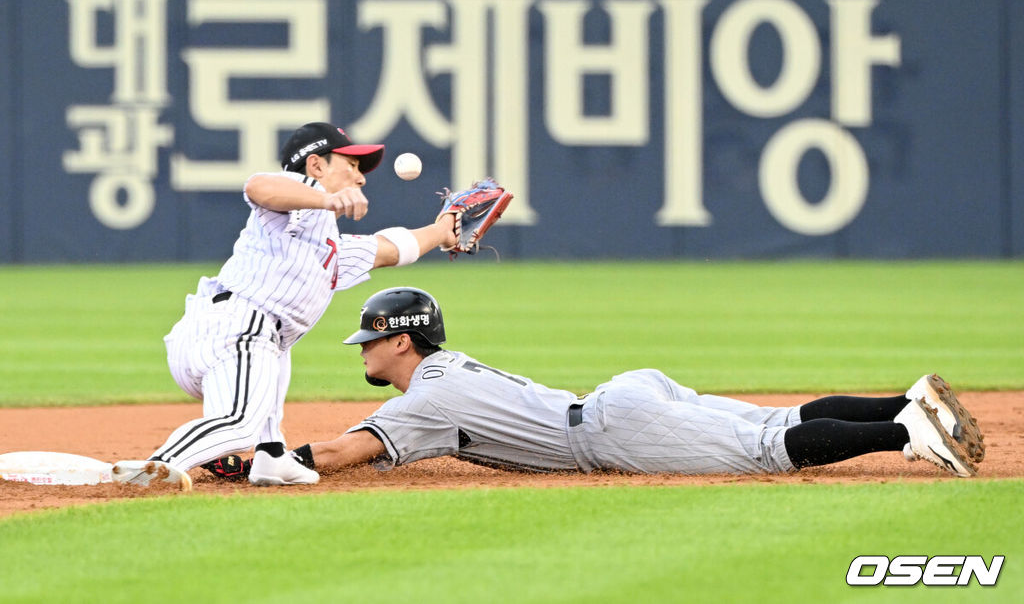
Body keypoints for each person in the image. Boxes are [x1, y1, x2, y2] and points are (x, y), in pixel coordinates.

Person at [282, 286, 984, 481]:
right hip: (623, 395)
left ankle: (906, 430)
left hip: (616, 428)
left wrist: (270, 459)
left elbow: (347, 453)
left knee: (769, 450)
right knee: (779, 418)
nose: (365, 349)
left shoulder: (423, 399)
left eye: (371, 338)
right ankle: (906, 397)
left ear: (400, 339)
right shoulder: (445, 366)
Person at [112, 124, 458, 491]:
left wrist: (443, 229)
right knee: (237, 422)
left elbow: (391, 248)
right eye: (352, 165)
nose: (361, 178)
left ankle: (272, 456)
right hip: (236, 330)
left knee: (278, 345)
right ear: (316, 165)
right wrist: (325, 198)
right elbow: (259, 187)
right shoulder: (298, 199)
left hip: (238, 338)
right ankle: (154, 467)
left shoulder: (329, 245)